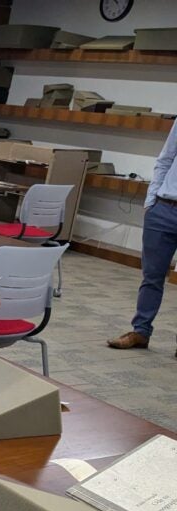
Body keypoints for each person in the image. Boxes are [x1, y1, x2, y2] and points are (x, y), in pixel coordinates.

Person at [107, 120, 177, 355]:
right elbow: (166, 159)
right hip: (163, 208)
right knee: (152, 276)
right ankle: (141, 331)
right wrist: (151, 202)